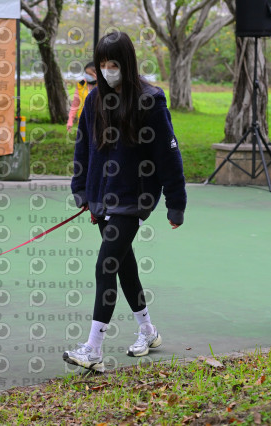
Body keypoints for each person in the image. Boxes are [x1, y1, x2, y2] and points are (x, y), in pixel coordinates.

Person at [63, 32, 187, 372]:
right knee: (123, 266)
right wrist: (82, 190)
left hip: (133, 197)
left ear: (127, 63)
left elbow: (168, 154)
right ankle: (148, 331)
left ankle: (93, 349)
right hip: (102, 197)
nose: (107, 70)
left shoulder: (150, 100)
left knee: (106, 265)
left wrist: (175, 202)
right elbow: (83, 147)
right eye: (102, 64)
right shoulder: (94, 100)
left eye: (113, 64)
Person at [67, 62, 97, 132]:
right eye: (86, 73)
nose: (87, 76)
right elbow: (75, 104)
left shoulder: (103, 85)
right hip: (83, 120)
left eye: (90, 74)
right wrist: (70, 121)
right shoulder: (81, 85)